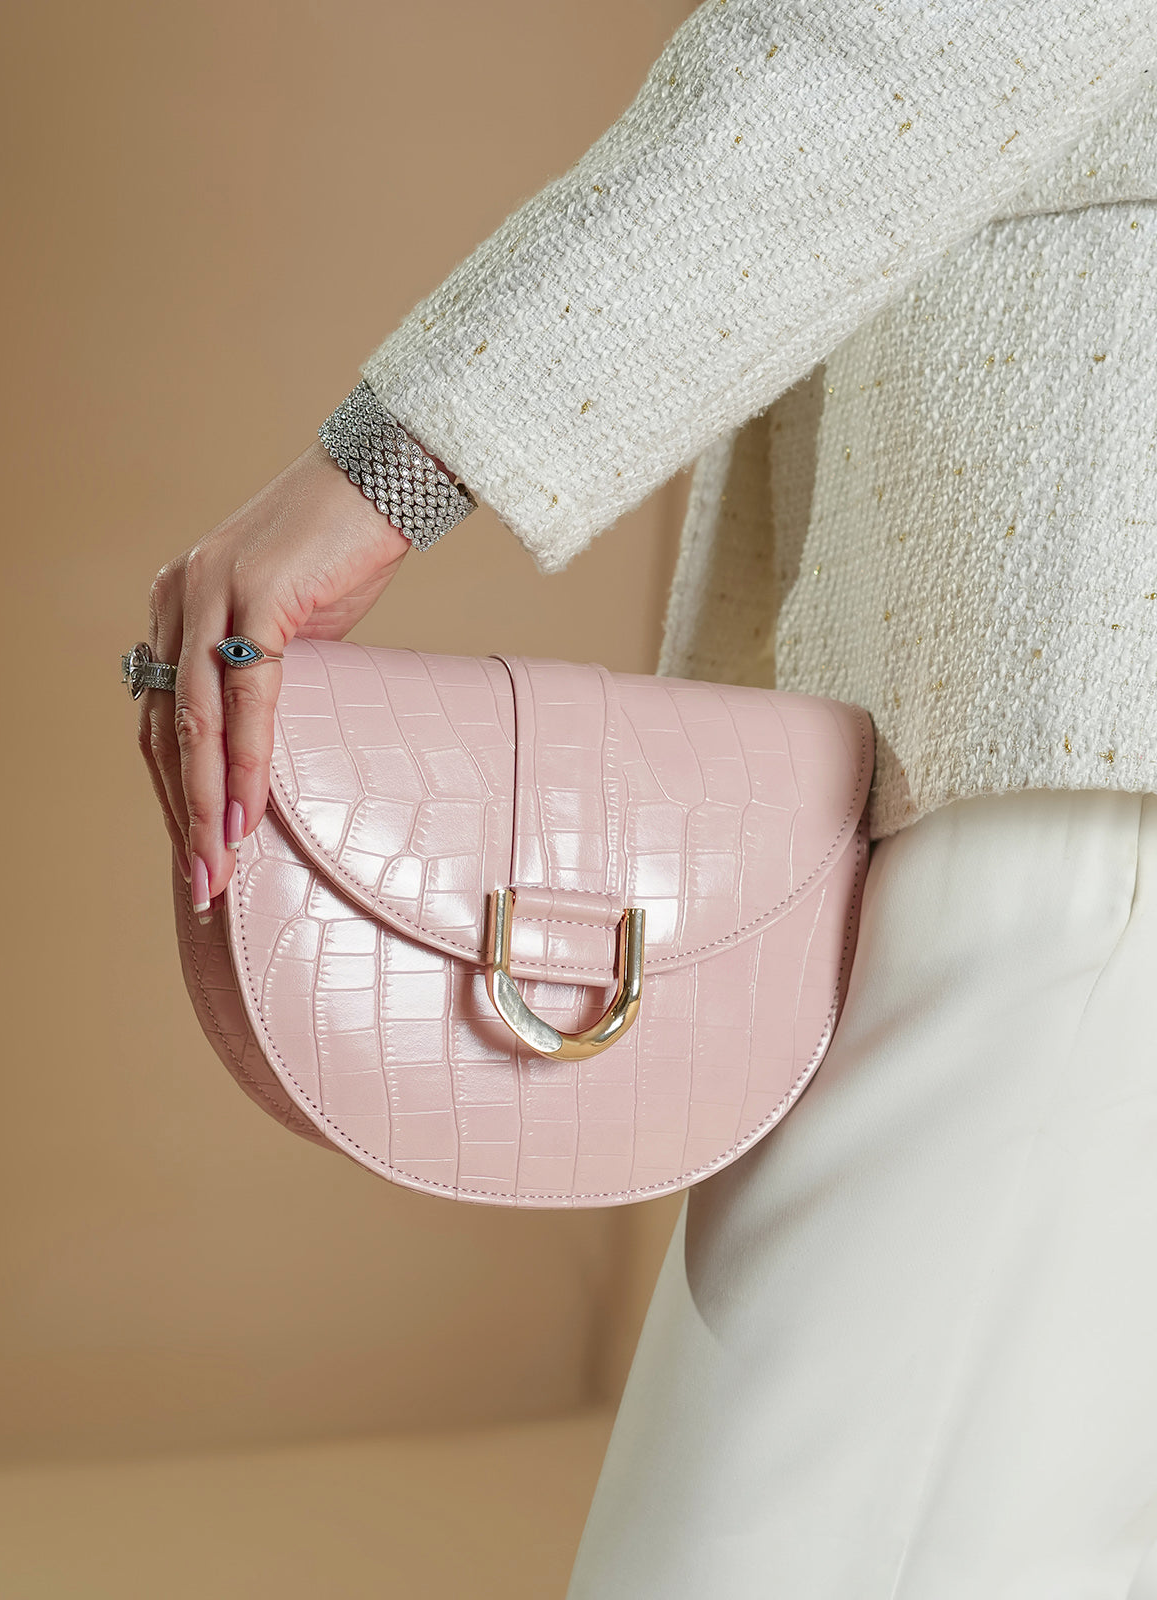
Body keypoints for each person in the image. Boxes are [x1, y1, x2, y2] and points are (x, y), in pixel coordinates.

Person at [132, 1, 1157, 1591]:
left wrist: (390, 466)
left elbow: (906, 43)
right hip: (1055, 688)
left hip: (1083, 681)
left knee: (794, 1527)